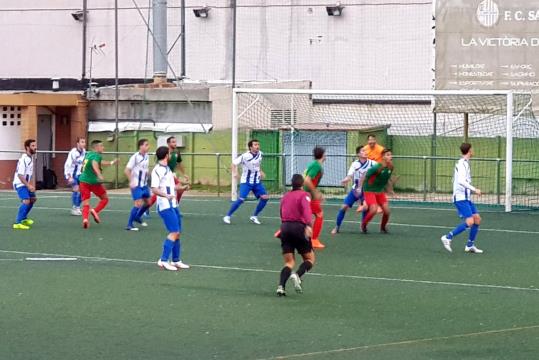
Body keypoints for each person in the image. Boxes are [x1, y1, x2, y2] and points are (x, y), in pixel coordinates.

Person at [151, 146, 190, 271]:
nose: (171, 155)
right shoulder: (156, 170)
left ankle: (176, 260)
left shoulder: (167, 168)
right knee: (174, 232)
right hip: (164, 205)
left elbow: (173, 187)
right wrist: (166, 195)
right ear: (166, 155)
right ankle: (163, 260)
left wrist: (183, 188)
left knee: (177, 233)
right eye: (169, 154)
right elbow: (154, 189)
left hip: (173, 204)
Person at [276, 174, 315, 297]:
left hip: (285, 228)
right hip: (299, 228)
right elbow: (307, 211)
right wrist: (308, 226)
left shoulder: (285, 196)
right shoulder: (304, 195)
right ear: (302, 184)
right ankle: (297, 275)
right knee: (310, 259)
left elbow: (281, 212)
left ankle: (281, 286)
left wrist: (283, 228)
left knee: (289, 262)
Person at [441, 143, 483, 254]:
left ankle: (470, 245)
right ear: (469, 151)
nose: (473, 150)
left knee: (477, 219)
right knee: (470, 221)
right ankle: (448, 237)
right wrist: (475, 189)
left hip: (466, 197)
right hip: (460, 198)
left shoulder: (465, 163)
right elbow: (461, 181)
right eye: (472, 149)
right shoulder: (462, 164)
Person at [223, 139, 269, 225]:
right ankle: (227, 216)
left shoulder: (260, 154)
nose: (257, 146)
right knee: (241, 199)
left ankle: (254, 216)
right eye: (255, 145)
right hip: (246, 181)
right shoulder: (245, 156)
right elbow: (233, 164)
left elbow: (257, 164)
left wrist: (261, 171)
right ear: (251, 147)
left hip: (257, 181)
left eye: (258, 144)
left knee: (265, 197)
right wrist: (235, 173)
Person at [331, 145, 376, 235]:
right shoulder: (355, 164)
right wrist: (346, 179)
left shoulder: (373, 163)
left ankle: (363, 226)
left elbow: (380, 169)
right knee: (343, 207)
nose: (365, 152)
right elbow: (350, 175)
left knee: (365, 208)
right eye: (363, 151)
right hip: (356, 189)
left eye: (365, 150)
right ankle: (337, 227)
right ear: (358, 154)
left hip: (367, 190)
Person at [79, 140, 118, 229]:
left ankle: (85, 219)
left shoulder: (89, 154)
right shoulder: (96, 156)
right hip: (93, 182)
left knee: (86, 202)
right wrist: (99, 174)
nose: (103, 147)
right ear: (96, 147)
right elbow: (95, 164)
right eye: (101, 146)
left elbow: (100, 162)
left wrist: (111, 162)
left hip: (83, 181)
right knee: (105, 199)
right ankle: (95, 210)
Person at [146, 136, 190, 212]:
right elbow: (159, 164)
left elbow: (179, 163)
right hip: (164, 176)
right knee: (160, 193)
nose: (175, 143)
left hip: (171, 174)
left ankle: (175, 206)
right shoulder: (164, 152)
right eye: (173, 142)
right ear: (168, 143)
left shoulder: (177, 152)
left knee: (177, 190)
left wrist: (184, 174)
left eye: (175, 142)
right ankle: (146, 208)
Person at [361, 148, 394, 234]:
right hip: (369, 190)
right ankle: (364, 225)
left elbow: (387, 179)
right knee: (373, 210)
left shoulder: (391, 167)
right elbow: (365, 176)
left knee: (387, 211)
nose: (390, 156)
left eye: (391, 154)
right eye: (388, 155)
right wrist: (359, 188)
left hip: (379, 191)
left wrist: (390, 189)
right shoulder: (376, 167)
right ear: (383, 157)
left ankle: (383, 228)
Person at [125, 139, 151, 231]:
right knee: (138, 204)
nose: (148, 146)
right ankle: (129, 225)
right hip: (136, 185)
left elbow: (145, 170)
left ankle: (137, 217)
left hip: (144, 184)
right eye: (146, 145)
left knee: (148, 202)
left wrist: (149, 175)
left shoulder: (147, 156)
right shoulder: (135, 157)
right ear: (141, 146)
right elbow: (127, 170)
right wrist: (131, 181)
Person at [303, 146, 326, 249]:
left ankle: (283, 233)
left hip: (307, 194)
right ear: (323, 155)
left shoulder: (315, 164)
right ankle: (314, 240)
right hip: (308, 194)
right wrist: (315, 192)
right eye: (325, 153)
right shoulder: (316, 165)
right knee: (319, 214)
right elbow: (307, 180)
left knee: (302, 216)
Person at [13, 139, 37, 230]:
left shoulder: (30, 158)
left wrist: (31, 185)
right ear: (27, 147)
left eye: (35, 146)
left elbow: (29, 174)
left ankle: (23, 218)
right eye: (33, 146)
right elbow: (20, 175)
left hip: (25, 183)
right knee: (26, 200)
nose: (35, 148)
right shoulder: (24, 159)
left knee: (33, 199)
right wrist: (28, 185)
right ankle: (18, 223)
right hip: (20, 184)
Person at [63, 137, 86, 216]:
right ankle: (74, 208)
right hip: (72, 173)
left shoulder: (84, 152)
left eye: (84, 142)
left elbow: (83, 163)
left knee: (83, 191)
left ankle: (77, 206)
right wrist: (69, 176)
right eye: (82, 142)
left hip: (80, 174)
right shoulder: (73, 152)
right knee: (76, 189)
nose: (84, 144)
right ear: (78, 143)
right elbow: (68, 164)